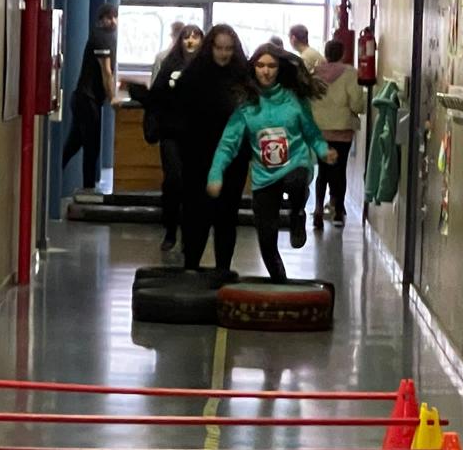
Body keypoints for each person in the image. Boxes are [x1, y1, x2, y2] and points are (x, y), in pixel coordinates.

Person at [207, 43, 336, 282]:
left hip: (295, 164)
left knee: (296, 181)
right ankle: (279, 282)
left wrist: (322, 150)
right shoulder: (247, 106)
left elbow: (311, 132)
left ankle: (297, 214)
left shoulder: (294, 100)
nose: (266, 71)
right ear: (253, 68)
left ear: (280, 68)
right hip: (264, 176)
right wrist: (216, 174)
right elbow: (227, 144)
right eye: (260, 65)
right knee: (266, 240)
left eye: (271, 66)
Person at [127, 25, 204, 252]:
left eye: (195, 37)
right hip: (171, 133)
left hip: (197, 135)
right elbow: (156, 96)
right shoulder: (169, 64)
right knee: (173, 180)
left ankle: (189, 233)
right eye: (186, 37)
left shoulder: (206, 67)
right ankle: (170, 229)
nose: (190, 41)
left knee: (193, 184)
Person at [62, 3, 118, 192]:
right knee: (91, 147)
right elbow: (106, 72)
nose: (113, 21)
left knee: (74, 144)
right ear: (101, 20)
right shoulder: (102, 38)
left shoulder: (106, 37)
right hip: (87, 100)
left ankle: (56, 173)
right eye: (108, 18)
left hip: (84, 99)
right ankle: (88, 189)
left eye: (115, 17)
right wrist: (112, 98)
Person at [311, 39, 367, 229]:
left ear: (325, 53)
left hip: (320, 130)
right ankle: (337, 212)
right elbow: (357, 104)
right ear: (342, 54)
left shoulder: (314, 74)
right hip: (342, 130)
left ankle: (318, 209)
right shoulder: (350, 73)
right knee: (339, 170)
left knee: (323, 171)